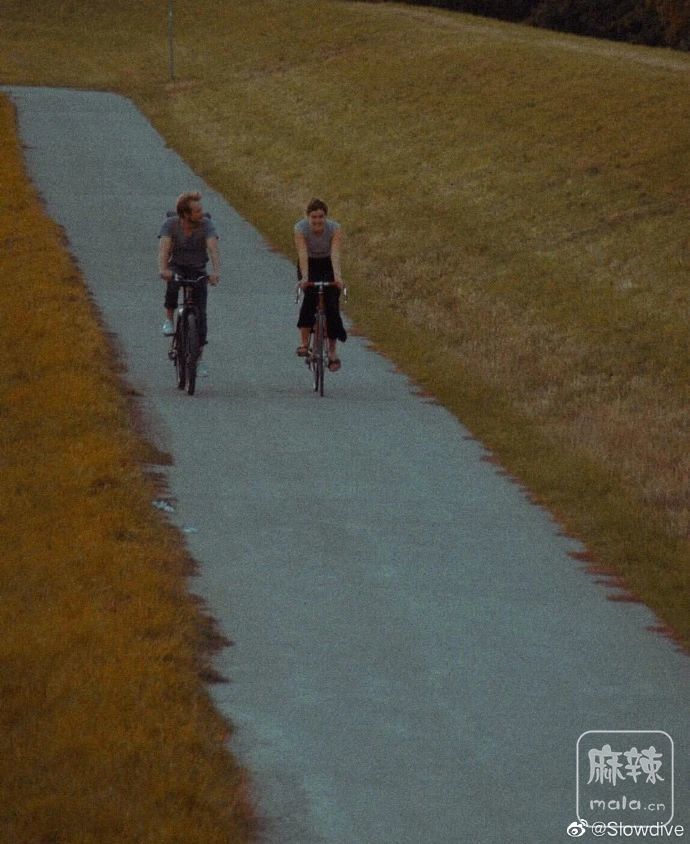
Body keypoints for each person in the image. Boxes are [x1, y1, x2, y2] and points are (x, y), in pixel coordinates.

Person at [158, 191, 220, 374]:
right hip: (177, 266)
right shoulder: (170, 224)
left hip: (198, 268)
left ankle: (198, 359)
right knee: (173, 284)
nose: (202, 214)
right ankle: (169, 320)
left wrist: (215, 272)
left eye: (201, 210)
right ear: (185, 214)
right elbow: (163, 250)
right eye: (197, 211)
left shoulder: (206, 224)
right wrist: (163, 270)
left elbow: (213, 249)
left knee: (201, 314)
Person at [294, 198, 347, 371]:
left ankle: (332, 352)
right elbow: (302, 253)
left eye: (321, 216)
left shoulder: (334, 228)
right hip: (309, 263)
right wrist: (305, 278)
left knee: (332, 305)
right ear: (308, 217)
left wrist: (338, 277)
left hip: (327, 263)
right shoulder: (300, 229)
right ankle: (304, 344)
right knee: (310, 298)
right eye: (314, 217)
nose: (317, 221)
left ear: (326, 216)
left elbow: (335, 254)